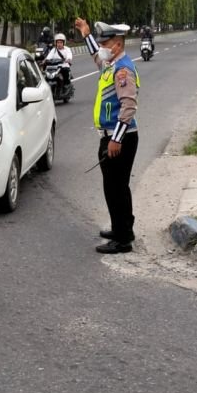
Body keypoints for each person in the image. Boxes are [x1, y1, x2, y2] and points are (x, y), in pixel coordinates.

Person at [74, 17, 140, 254]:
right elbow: (96, 56)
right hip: (113, 136)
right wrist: (86, 34)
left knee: (116, 189)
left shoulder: (123, 70)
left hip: (120, 138)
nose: (101, 48)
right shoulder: (111, 64)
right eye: (100, 43)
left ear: (117, 45)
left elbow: (129, 107)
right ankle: (122, 228)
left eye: (105, 43)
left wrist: (116, 140)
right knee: (116, 187)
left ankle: (122, 240)